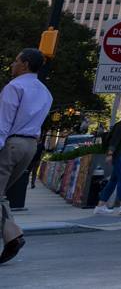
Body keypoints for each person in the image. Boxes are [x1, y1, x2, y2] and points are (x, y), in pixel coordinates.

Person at [0, 48, 50, 265]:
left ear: (26, 64)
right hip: (30, 146)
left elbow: (3, 121)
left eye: (16, 61)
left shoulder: (15, 87)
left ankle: (14, 236)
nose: (12, 65)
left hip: (11, 144)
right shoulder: (46, 92)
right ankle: (12, 237)